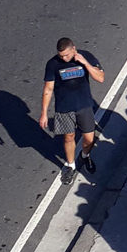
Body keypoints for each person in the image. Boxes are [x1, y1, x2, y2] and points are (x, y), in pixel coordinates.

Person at [42, 38, 105, 183]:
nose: (64, 58)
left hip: (84, 106)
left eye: (66, 55)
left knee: (89, 139)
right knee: (68, 137)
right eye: (61, 55)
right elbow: (48, 89)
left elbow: (100, 78)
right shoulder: (53, 64)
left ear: (74, 49)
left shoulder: (86, 56)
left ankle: (84, 155)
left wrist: (84, 63)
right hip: (64, 108)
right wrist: (44, 112)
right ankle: (70, 165)